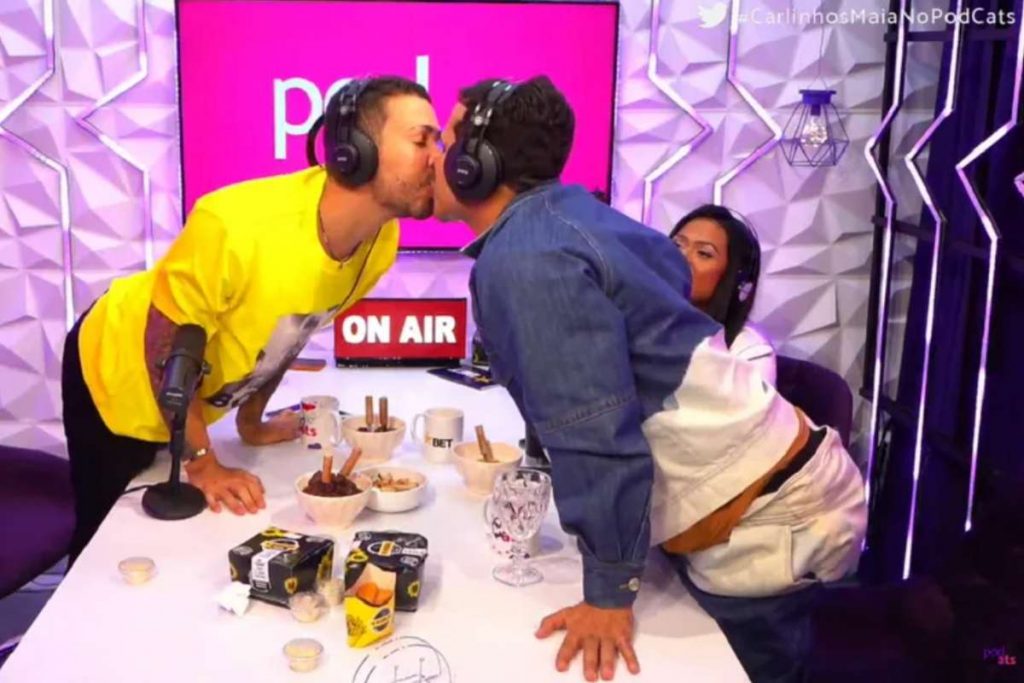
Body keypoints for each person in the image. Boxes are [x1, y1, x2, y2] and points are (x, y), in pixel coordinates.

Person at [432, 76, 866, 683]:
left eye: (444, 141)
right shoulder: (566, 215)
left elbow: (594, 430)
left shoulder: (529, 258)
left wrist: (609, 593)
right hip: (771, 492)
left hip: (768, 522)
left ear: (475, 165)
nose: (435, 159)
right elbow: (669, 274)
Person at [61, 76, 441, 564]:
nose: (438, 158)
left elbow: (291, 329)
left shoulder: (380, 242)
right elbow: (164, 346)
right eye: (421, 140)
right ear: (357, 151)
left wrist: (251, 422)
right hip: (117, 368)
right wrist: (203, 462)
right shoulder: (234, 224)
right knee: (101, 549)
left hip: (181, 383)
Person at [670, 205, 776, 384]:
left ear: (734, 275)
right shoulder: (633, 321)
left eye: (703, 253)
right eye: (677, 245)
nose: (681, 257)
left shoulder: (750, 351)